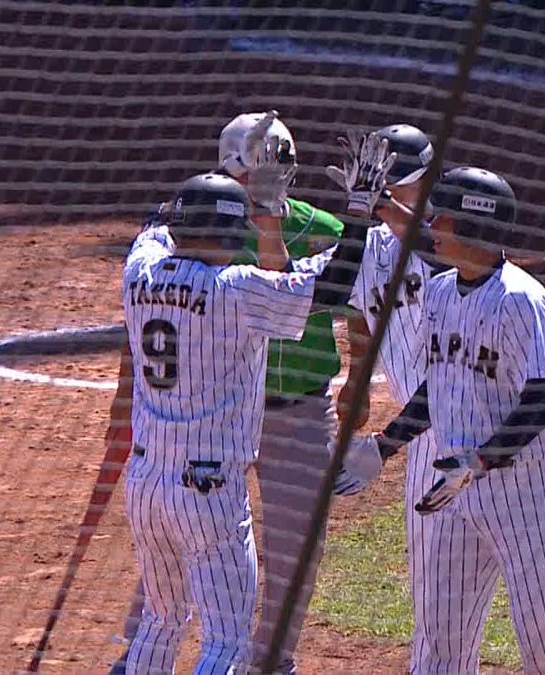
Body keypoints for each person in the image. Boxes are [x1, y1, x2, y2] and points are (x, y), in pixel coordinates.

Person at [111, 111, 367, 675]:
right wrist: (359, 214)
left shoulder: (141, 267)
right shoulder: (236, 289)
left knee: (162, 618)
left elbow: (159, 223)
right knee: (226, 641)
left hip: (148, 482)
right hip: (208, 489)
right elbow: (337, 281)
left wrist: (227, 180)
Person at [344, 167, 545, 673]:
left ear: (475, 226)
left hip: (525, 497)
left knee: (544, 638)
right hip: (455, 493)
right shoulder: (442, 292)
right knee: (440, 634)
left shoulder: (523, 300)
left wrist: (481, 460)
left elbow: (541, 400)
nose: (432, 227)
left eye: (441, 217)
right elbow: (438, 386)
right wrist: (386, 445)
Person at [326, 123, 443, 672]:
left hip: (489, 432)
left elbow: (434, 244)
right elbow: (338, 295)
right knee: (433, 597)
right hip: (418, 437)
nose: (388, 193)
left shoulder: (461, 231)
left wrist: (383, 207)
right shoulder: (371, 246)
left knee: (537, 606)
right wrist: (356, 372)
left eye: (397, 185)